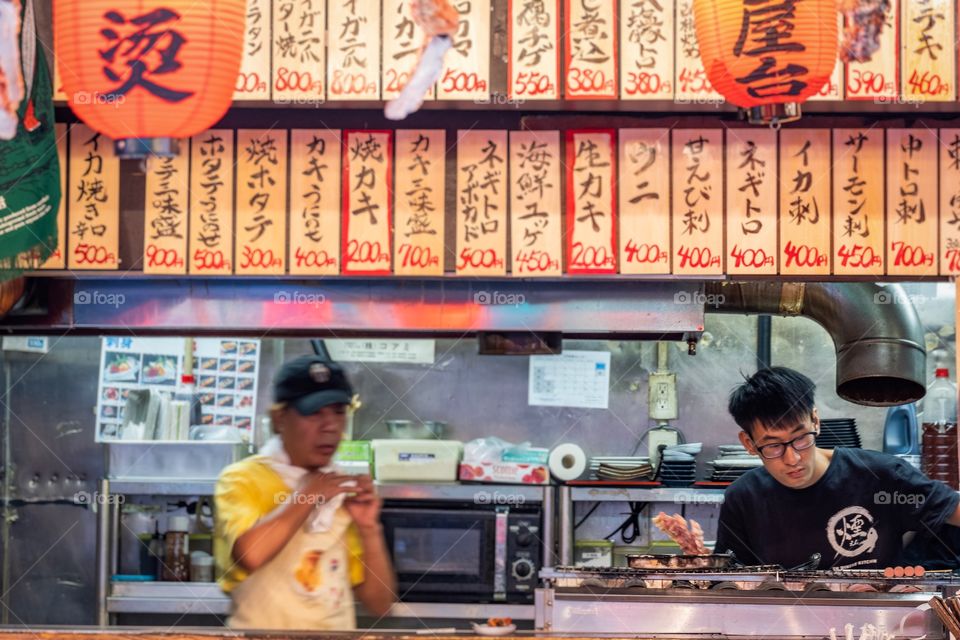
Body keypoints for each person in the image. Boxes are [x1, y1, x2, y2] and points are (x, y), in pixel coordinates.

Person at [715, 366, 960, 570]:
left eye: (801, 438)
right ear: (749, 443)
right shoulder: (744, 498)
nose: (792, 458)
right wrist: (702, 565)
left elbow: (953, 511)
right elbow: (731, 581)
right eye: (773, 446)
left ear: (816, 421)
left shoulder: (881, 475)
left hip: (879, 623)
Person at [214, 355, 396, 629]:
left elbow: (379, 604)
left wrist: (369, 527)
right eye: (314, 412)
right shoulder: (242, 480)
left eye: (338, 412)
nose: (330, 426)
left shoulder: (341, 489)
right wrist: (309, 496)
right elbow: (250, 555)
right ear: (279, 419)